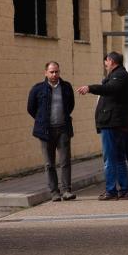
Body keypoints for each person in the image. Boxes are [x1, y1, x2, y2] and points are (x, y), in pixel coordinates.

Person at [77, 51, 128, 200]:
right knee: (120, 158)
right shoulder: (120, 75)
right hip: (116, 122)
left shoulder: (119, 76)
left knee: (110, 159)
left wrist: (90, 88)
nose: (106, 65)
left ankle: (111, 190)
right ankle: (125, 189)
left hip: (112, 123)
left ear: (111, 61)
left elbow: (109, 89)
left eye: (106, 62)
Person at [27, 61, 76, 201]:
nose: (54, 74)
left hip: (63, 129)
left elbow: (70, 105)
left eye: (56, 72)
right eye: (51, 72)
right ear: (46, 73)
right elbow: (31, 108)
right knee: (49, 163)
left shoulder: (66, 87)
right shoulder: (38, 89)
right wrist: (42, 119)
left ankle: (67, 190)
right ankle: (54, 192)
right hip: (45, 132)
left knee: (65, 161)